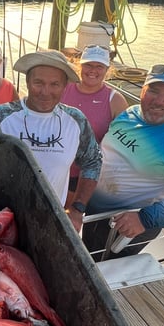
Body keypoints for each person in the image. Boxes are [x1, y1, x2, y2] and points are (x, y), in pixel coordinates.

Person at [0, 49, 102, 230]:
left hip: (51, 217)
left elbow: (93, 162)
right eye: (38, 82)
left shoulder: (76, 120)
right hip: (2, 217)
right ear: (27, 82)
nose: (45, 91)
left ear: (65, 86)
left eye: (55, 84)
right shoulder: (2, 115)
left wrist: (78, 208)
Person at [80, 64, 164, 260]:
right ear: (143, 90)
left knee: (98, 270)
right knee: (83, 253)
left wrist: (144, 218)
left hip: (125, 227)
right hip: (93, 212)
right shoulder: (129, 113)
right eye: (153, 90)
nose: (159, 100)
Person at [62, 44, 129, 207]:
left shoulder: (115, 100)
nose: (93, 70)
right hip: (57, 166)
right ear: (80, 65)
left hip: (85, 175)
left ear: (107, 69)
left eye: (99, 66)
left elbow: (124, 143)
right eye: (89, 65)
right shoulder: (63, 89)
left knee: (69, 219)